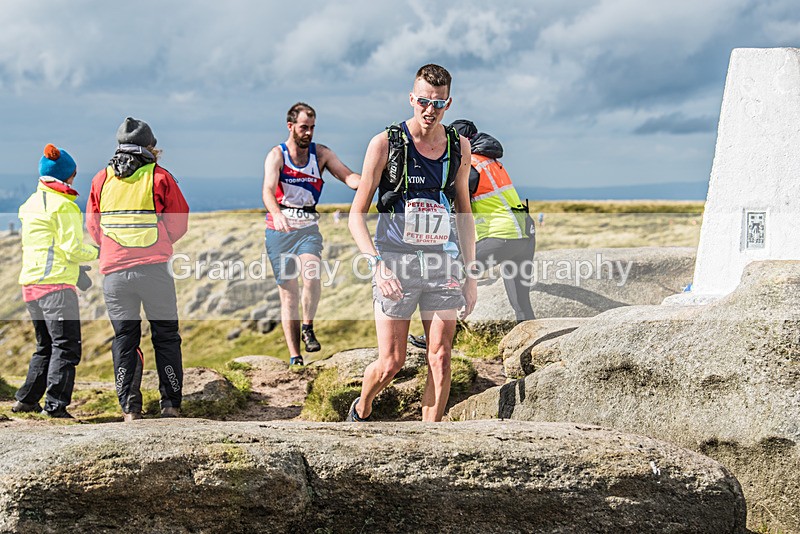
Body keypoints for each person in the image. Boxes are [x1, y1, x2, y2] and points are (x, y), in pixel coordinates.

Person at [347, 64, 477, 423]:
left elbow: (464, 213)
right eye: (423, 101)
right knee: (392, 362)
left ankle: (430, 439)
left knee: (441, 356)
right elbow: (356, 215)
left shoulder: (459, 146)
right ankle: (362, 408)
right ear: (411, 99)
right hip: (395, 262)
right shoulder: (385, 144)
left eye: (438, 103)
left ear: (449, 103)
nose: (430, 110)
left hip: (442, 262)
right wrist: (377, 266)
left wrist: (470, 274)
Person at [86, 117, 189, 422]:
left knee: (125, 339)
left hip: (115, 274)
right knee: (166, 336)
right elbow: (179, 223)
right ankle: (170, 405)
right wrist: (160, 241)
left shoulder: (101, 179)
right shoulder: (160, 177)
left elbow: (93, 226)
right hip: (154, 270)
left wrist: (114, 248)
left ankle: (130, 409)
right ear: (150, 147)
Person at [262, 102, 360, 366]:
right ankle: (295, 356)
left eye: (312, 128)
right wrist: (277, 213)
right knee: (289, 295)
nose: (308, 133)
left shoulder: (321, 154)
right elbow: (268, 190)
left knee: (312, 275)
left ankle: (307, 326)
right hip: (280, 230)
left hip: (307, 228)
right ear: (290, 126)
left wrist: (368, 181)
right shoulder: (277, 155)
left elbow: (347, 176)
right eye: (304, 127)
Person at [13, 144, 99, 419]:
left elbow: (48, 246)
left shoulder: (31, 203)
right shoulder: (64, 206)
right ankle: (55, 406)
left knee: (45, 346)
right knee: (66, 347)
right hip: (56, 288)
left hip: (31, 285)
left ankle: (26, 400)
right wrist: (97, 251)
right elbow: (72, 249)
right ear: (68, 175)